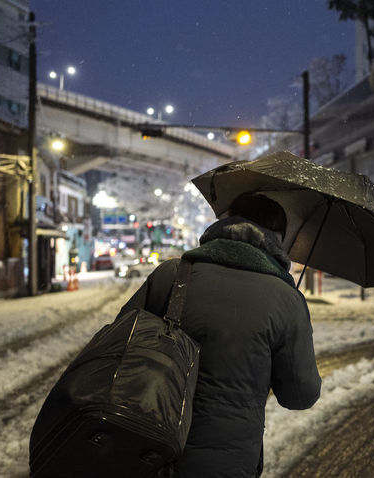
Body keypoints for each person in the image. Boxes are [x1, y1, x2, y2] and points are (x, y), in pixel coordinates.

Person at [117, 192, 321, 477]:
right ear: (277, 239)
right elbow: (300, 395)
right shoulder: (287, 300)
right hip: (227, 462)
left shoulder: (170, 275)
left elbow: (118, 346)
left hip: (143, 446)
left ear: (226, 223)